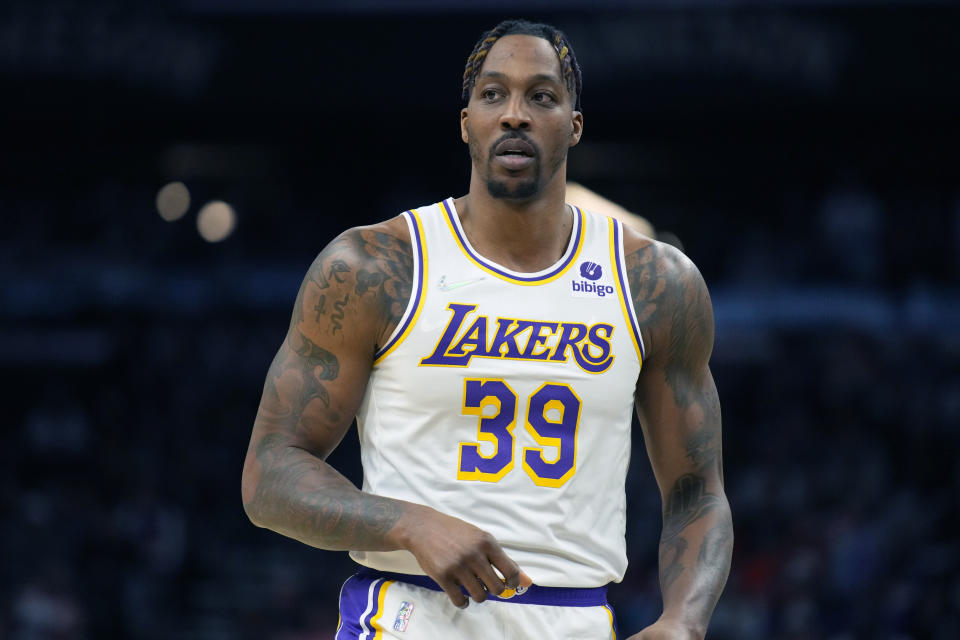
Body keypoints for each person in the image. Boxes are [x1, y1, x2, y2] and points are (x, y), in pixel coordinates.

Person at [241, 19, 732, 640]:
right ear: (466, 121)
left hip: (575, 617)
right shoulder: (373, 267)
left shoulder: (655, 283)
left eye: (542, 96)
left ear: (574, 126)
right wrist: (408, 524)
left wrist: (684, 621)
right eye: (493, 94)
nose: (515, 115)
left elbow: (698, 489)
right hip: (412, 613)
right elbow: (269, 474)